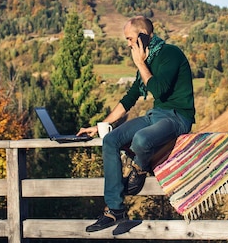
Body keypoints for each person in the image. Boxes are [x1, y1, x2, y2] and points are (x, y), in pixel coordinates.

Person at [77, 16, 195, 232]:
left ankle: (139, 167)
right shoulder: (148, 60)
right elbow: (130, 98)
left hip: (178, 117)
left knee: (141, 139)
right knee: (111, 140)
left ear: (142, 36)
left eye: (130, 39)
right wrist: (100, 125)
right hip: (156, 115)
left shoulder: (170, 54)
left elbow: (159, 89)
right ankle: (115, 210)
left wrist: (140, 63)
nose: (128, 44)